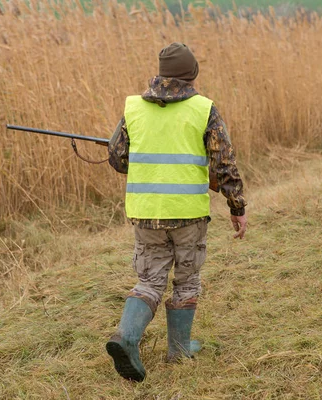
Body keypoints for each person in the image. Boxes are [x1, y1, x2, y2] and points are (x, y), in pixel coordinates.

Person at [106, 42, 248, 382]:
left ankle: (127, 338)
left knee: (149, 281)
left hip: (145, 213)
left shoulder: (134, 107)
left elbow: (117, 158)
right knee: (186, 280)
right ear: (191, 74)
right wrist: (237, 206)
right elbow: (223, 162)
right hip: (188, 215)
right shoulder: (204, 109)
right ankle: (180, 350)